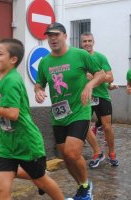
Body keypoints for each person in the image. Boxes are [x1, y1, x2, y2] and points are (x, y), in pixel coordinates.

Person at [0, 38, 72, 200]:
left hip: (26, 144)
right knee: (0, 186)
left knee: (42, 181)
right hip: (7, 145)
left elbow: (13, 113)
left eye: (0, 54)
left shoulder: (12, 80)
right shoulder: (1, 80)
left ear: (13, 59)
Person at [35, 22, 106, 200]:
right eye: (49, 35)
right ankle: (82, 186)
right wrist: (38, 91)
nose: (52, 38)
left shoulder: (80, 54)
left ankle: (86, 187)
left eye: (56, 34)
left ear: (65, 36)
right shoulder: (45, 62)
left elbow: (101, 74)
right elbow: (39, 84)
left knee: (72, 152)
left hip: (79, 111)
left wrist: (89, 85)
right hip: (59, 115)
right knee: (65, 156)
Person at [80, 32, 119, 168]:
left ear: (93, 42)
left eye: (89, 41)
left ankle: (112, 153)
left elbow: (110, 77)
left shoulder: (100, 57)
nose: (87, 44)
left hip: (101, 96)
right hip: (86, 96)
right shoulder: (78, 58)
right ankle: (97, 153)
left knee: (107, 127)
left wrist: (97, 78)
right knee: (84, 126)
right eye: (84, 41)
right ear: (81, 43)